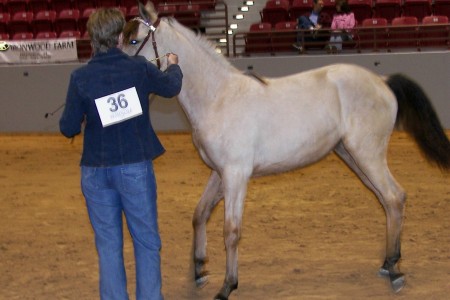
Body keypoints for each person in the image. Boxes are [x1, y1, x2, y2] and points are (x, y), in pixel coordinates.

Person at [59, 8, 183, 300]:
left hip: (95, 171)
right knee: (146, 242)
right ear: (118, 38)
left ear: (93, 39)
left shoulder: (80, 77)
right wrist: (173, 64)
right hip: (134, 168)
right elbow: (171, 86)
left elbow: (67, 128)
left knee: (108, 246)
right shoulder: (139, 68)